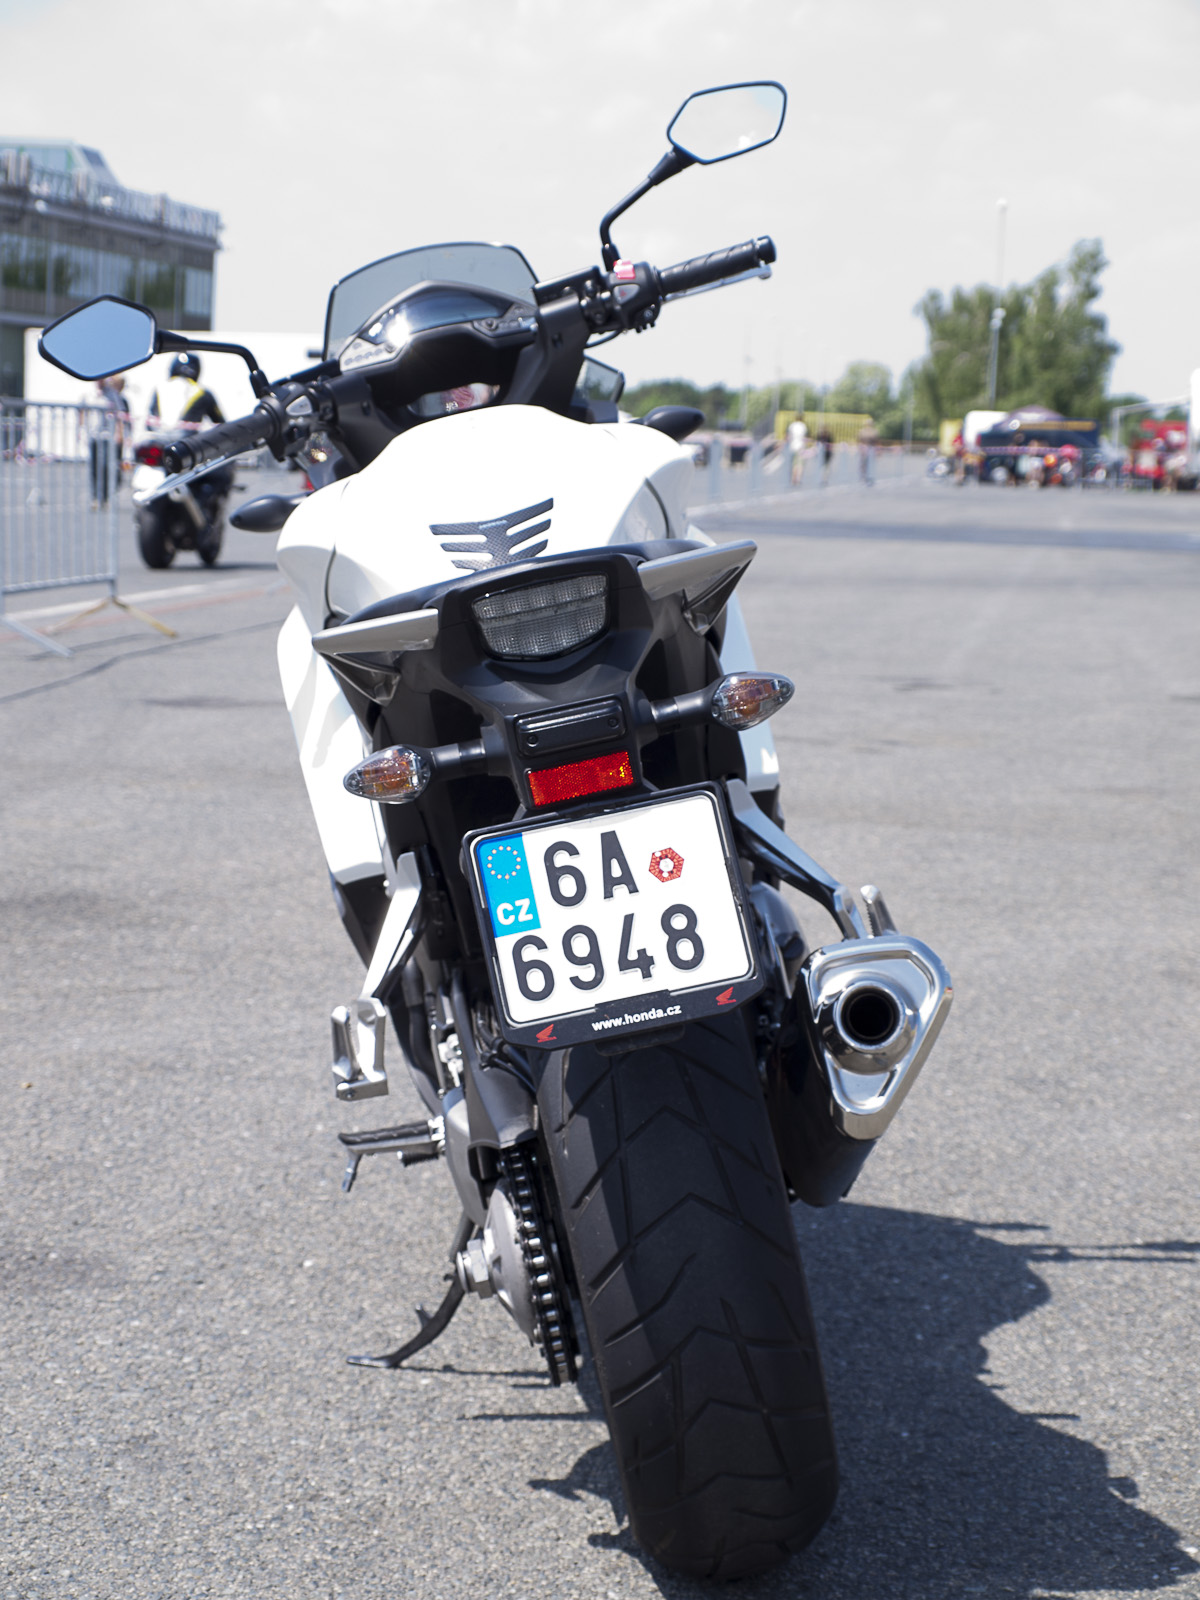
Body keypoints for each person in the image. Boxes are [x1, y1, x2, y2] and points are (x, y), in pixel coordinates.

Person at [146, 353, 225, 431]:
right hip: (188, 438)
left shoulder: (159, 388)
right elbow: (220, 424)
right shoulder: (203, 392)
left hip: (157, 436)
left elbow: (150, 421)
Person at [89, 374, 126, 508]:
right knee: (94, 467)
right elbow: (82, 410)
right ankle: (95, 496)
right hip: (93, 434)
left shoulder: (112, 394)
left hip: (106, 435)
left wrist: (119, 433)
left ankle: (104, 495)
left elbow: (119, 414)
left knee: (105, 466)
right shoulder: (89, 394)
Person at [786, 415, 808, 485]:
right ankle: (798, 479)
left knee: (794, 464)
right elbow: (805, 437)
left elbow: (788, 436)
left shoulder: (792, 425)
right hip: (801, 446)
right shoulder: (803, 426)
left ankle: (793, 478)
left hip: (792, 446)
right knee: (800, 464)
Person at [857, 420, 878, 486]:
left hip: (870, 448)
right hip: (865, 447)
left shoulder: (873, 431)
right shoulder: (863, 431)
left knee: (868, 463)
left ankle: (867, 476)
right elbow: (859, 440)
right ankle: (864, 476)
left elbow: (876, 441)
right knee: (864, 463)